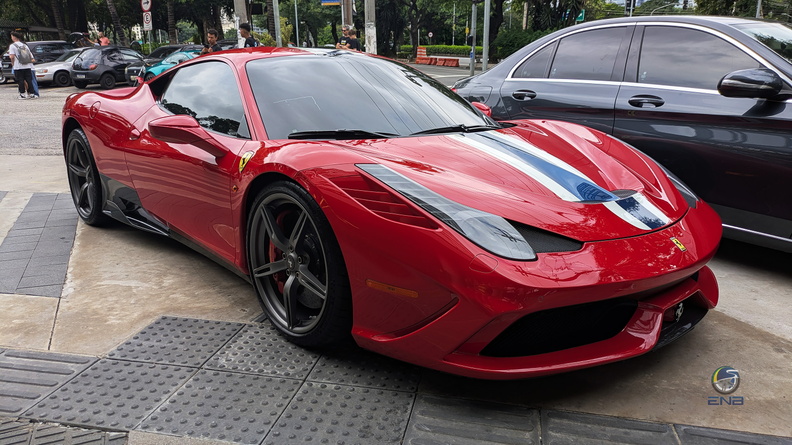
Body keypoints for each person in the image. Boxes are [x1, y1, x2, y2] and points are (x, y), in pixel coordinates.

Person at [8, 31, 36, 100]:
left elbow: (12, 56)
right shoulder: (24, 45)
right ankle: (31, 94)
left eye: (11, 36)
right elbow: (30, 55)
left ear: (14, 37)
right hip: (27, 65)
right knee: (29, 80)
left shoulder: (12, 46)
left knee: (20, 80)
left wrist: (13, 63)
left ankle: (22, 94)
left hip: (18, 66)